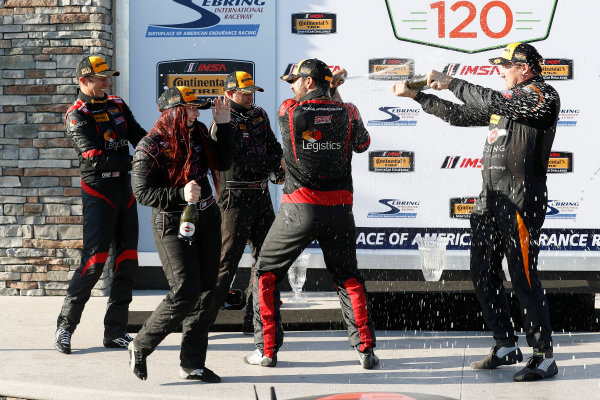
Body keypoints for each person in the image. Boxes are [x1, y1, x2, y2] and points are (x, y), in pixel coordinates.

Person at [392, 42, 560, 382]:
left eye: (505, 65)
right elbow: (459, 115)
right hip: (491, 196)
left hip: (521, 195)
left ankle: (543, 356)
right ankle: (504, 344)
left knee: (523, 274)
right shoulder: (506, 100)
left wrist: (451, 82)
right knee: (482, 270)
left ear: (524, 68)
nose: (499, 70)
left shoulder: (543, 94)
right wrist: (417, 97)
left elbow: (495, 100)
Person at [243, 59, 378, 369]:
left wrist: (331, 87)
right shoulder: (349, 111)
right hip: (340, 212)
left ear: (308, 82)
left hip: (299, 210)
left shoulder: (289, 110)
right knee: (348, 278)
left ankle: (265, 351)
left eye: (295, 80)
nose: (291, 86)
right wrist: (335, 91)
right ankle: (366, 351)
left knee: (265, 273)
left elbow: (309, 110)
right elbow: (363, 143)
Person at [128, 86, 234, 382]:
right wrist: (180, 193)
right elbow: (142, 192)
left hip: (208, 217)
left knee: (207, 290)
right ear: (174, 111)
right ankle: (140, 345)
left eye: (196, 109)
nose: (196, 113)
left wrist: (223, 127)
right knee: (186, 290)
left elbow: (223, 163)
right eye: (190, 109)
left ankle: (192, 364)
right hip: (172, 223)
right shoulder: (151, 144)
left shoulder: (200, 132)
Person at [55, 55, 146, 354]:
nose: (108, 81)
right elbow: (95, 155)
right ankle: (65, 328)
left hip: (125, 190)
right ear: (84, 80)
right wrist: (140, 162)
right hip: (98, 192)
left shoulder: (117, 103)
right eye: (102, 77)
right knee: (94, 264)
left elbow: (138, 136)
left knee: (128, 262)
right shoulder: (76, 114)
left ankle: (116, 332)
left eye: (109, 75)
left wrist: (158, 148)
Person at [206, 71, 284, 335]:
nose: (250, 96)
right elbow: (236, 162)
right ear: (229, 93)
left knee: (267, 257)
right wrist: (273, 163)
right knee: (226, 262)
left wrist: (280, 168)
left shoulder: (259, 114)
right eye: (244, 91)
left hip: (261, 195)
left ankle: (256, 319)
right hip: (234, 198)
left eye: (252, 91)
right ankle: (201, 323)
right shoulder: (222, 120)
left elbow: (273, 147)